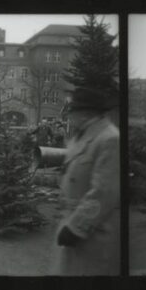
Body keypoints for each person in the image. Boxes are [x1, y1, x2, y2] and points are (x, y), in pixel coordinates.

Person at [55, 87, 120, 276]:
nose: (69, 116)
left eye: (71, 112)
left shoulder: (109, 139)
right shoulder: (81, 136)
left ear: (85, 113)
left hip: (91, 231)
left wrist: (77, 227)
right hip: (71, 222)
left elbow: (104, 191)